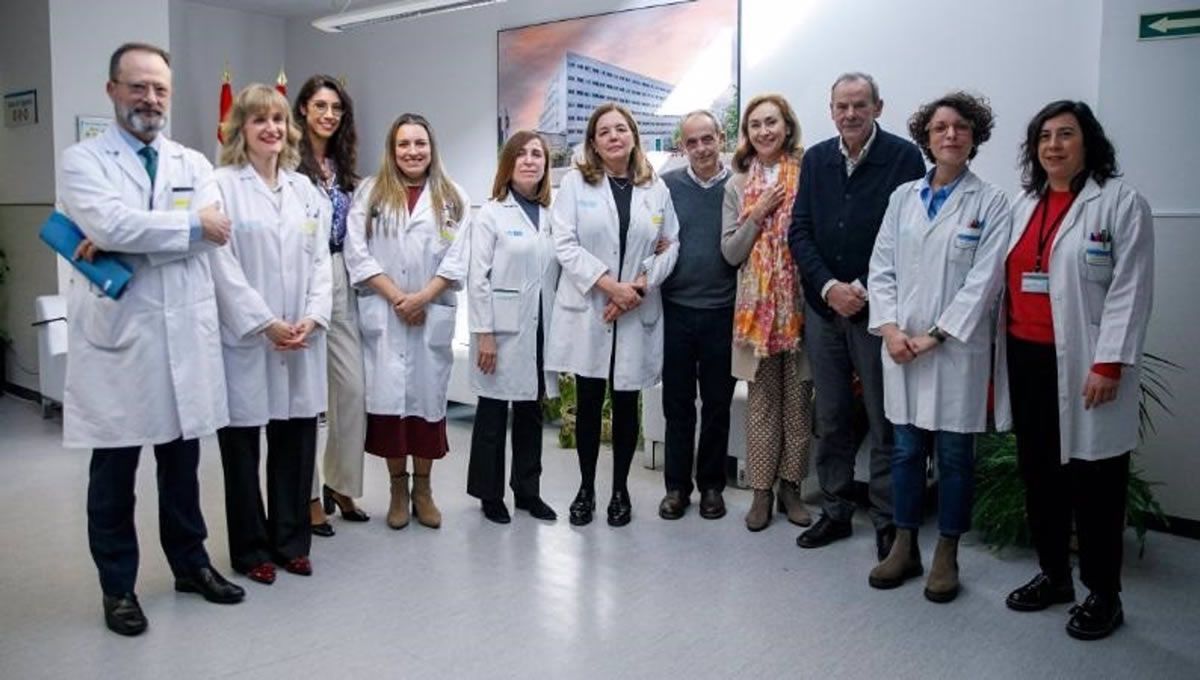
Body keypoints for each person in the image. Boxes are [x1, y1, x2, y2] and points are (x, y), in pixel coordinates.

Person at [58, 42, 244, 637]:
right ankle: (118, 588)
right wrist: (184, 228)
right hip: (121, 339)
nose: (150, 98)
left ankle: (191, 565)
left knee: (181, 470)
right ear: (112, 89)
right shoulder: (83, 160)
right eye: (137, 86)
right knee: (114, 477)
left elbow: (216, 232)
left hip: (184, 335)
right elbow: (111, 223)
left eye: (160, 88)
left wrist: (132, 238)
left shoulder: (194, 162)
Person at [995, 101, 1153, 640]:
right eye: (1044, 136)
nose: (1053, 145)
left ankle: (1104, 594)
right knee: (1041, 475)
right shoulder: (1024, 204)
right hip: (1027, 359)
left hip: (1088, 362)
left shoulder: (1120, 204)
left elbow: (1131, 288)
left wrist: (1109, 362)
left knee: (1097, 482)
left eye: (1066, 134)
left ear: (1089, 143)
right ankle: (1054, 575)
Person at [866, 92, 1012, 602]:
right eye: (940, 128)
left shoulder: (991, 202)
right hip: (902, 346)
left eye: (961, 127)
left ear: (975, 137)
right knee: (906, 451)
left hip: (953, 351)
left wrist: (936, 335)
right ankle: (905, 545)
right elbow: (881, 267)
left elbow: (985, 281)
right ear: (925, 138)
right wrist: (889, 329)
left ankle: (947, 552)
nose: (950, 135)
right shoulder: (902, 197)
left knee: (954, 456)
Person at [789, 72, 926, 560]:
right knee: (831, 416)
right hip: (824, 308)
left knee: (883, 416)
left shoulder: (905, 158)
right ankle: (836, 510)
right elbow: (799, 231)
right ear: (831, 111)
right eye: (842, 106)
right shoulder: (816, 159)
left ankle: (888, 519)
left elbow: (908, 237)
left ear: (877, 107)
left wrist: (862, 290)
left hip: (878, 312)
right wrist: (829, 288)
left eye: (860, 105)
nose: (850, 114)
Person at [206, 83, 333, 584]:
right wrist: (265, 323)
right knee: (242, 449)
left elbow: (321, 263)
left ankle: (290, 541)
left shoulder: (305, 191)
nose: (271, 128)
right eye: (259, 119)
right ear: (240, 128)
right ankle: (250, 549)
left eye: (278, 119)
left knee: (296, 443)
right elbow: (221, 265)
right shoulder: (221, 186)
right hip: (250, 337)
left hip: (301, 336)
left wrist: (313, 318)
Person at [546, 102, 680, 527]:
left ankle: (620, 490)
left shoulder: (655, 187)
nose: (614, 137)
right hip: (592, 309)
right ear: (594, 142)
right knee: (588, 403)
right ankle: (586, 489)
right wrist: (610, 286)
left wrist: (638, 286)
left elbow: (671, 244)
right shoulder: (575, 185)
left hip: (635, 309)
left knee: (626, 403)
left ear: (633, 136)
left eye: (621, 129)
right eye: (604, 132)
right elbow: (564, 244)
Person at [344, 113, 470, 530]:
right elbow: (357, 252)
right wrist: (399, 298)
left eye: (420, 143)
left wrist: (423, 298)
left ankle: (424, 491)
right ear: (392, 149)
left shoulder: (452, 197)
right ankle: (398, 490)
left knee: (426, 406)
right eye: (404, 144)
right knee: (390, 409)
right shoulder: (370, 192)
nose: (412, 151)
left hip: (430, 313)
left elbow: (458, 258)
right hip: (387, 313)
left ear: (431, 148)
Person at [720, 94, 814, 531]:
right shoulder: (737, 185)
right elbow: (730, 252)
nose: (763, 131)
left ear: (787, 126)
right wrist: (756, 214)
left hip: (800, 310)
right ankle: (760, 492)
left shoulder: (809, 175)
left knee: (798, 405)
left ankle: (790, 489)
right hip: (755, 316)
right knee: (761, 406)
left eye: (771, 122)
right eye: (755, 125)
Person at [466, 131, 559, 524]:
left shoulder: (552, 215)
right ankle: (489, 495)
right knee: (492, 412)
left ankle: (527, 491)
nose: (530, 160)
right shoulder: (491, 213)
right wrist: (484, 334)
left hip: (540, 328)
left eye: (537, 154)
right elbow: (477, 279)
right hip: (500, 331)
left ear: (546, 165)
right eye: (521, 154)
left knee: (530, 412)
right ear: (508, 163)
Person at [292, 74, 369, 536]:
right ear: (303, 108)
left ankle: (340, 483)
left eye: (336, 108)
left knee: (352, 390)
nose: (329, 115)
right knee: (308, 395)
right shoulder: (288, 163)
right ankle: (307, 496)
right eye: (320, 105)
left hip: (341, 272)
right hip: (302, 276)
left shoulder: (342, 167)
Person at [658, 110, 736, 521]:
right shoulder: (667, 186)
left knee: (718, 405)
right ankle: (676, 487)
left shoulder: (738, 185)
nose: (702, 148)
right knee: (678, 405)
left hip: (723, 311)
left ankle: (711, 487)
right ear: (682, 146)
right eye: (692, 142)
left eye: (708, 139)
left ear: (721, 138)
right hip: (676, 311)